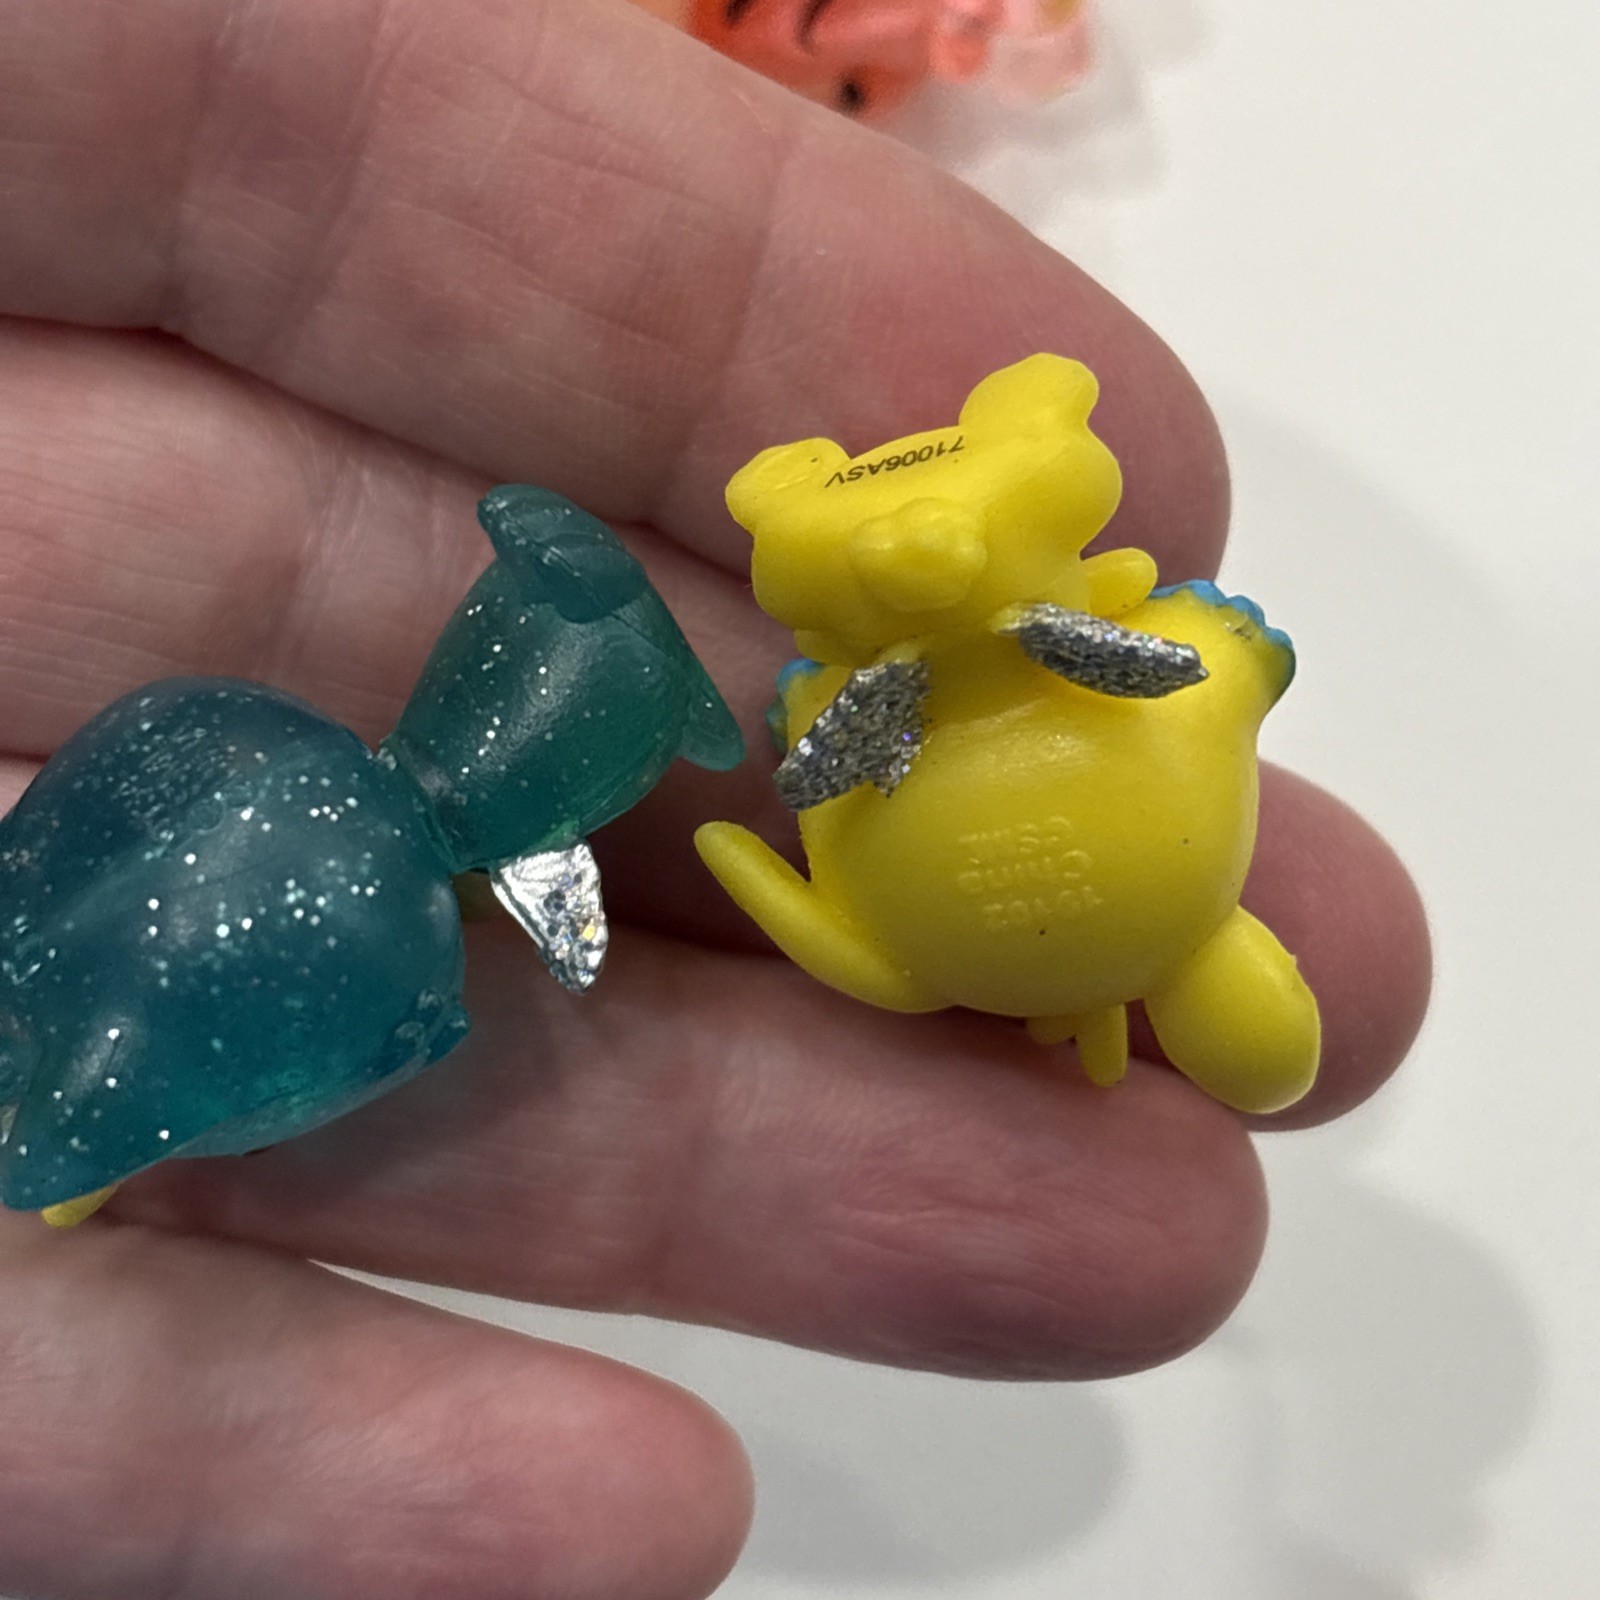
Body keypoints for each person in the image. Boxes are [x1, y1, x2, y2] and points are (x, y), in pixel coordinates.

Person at [0, 1, 1430, 1596]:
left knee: (1225, 1010)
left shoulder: (993, 683)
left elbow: (1190, 679)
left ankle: (1188, 966)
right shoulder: (400, 833)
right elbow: (882, 765)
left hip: (1110, 907)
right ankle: (83, 1115)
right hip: (858, 918)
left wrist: (1201, 679)